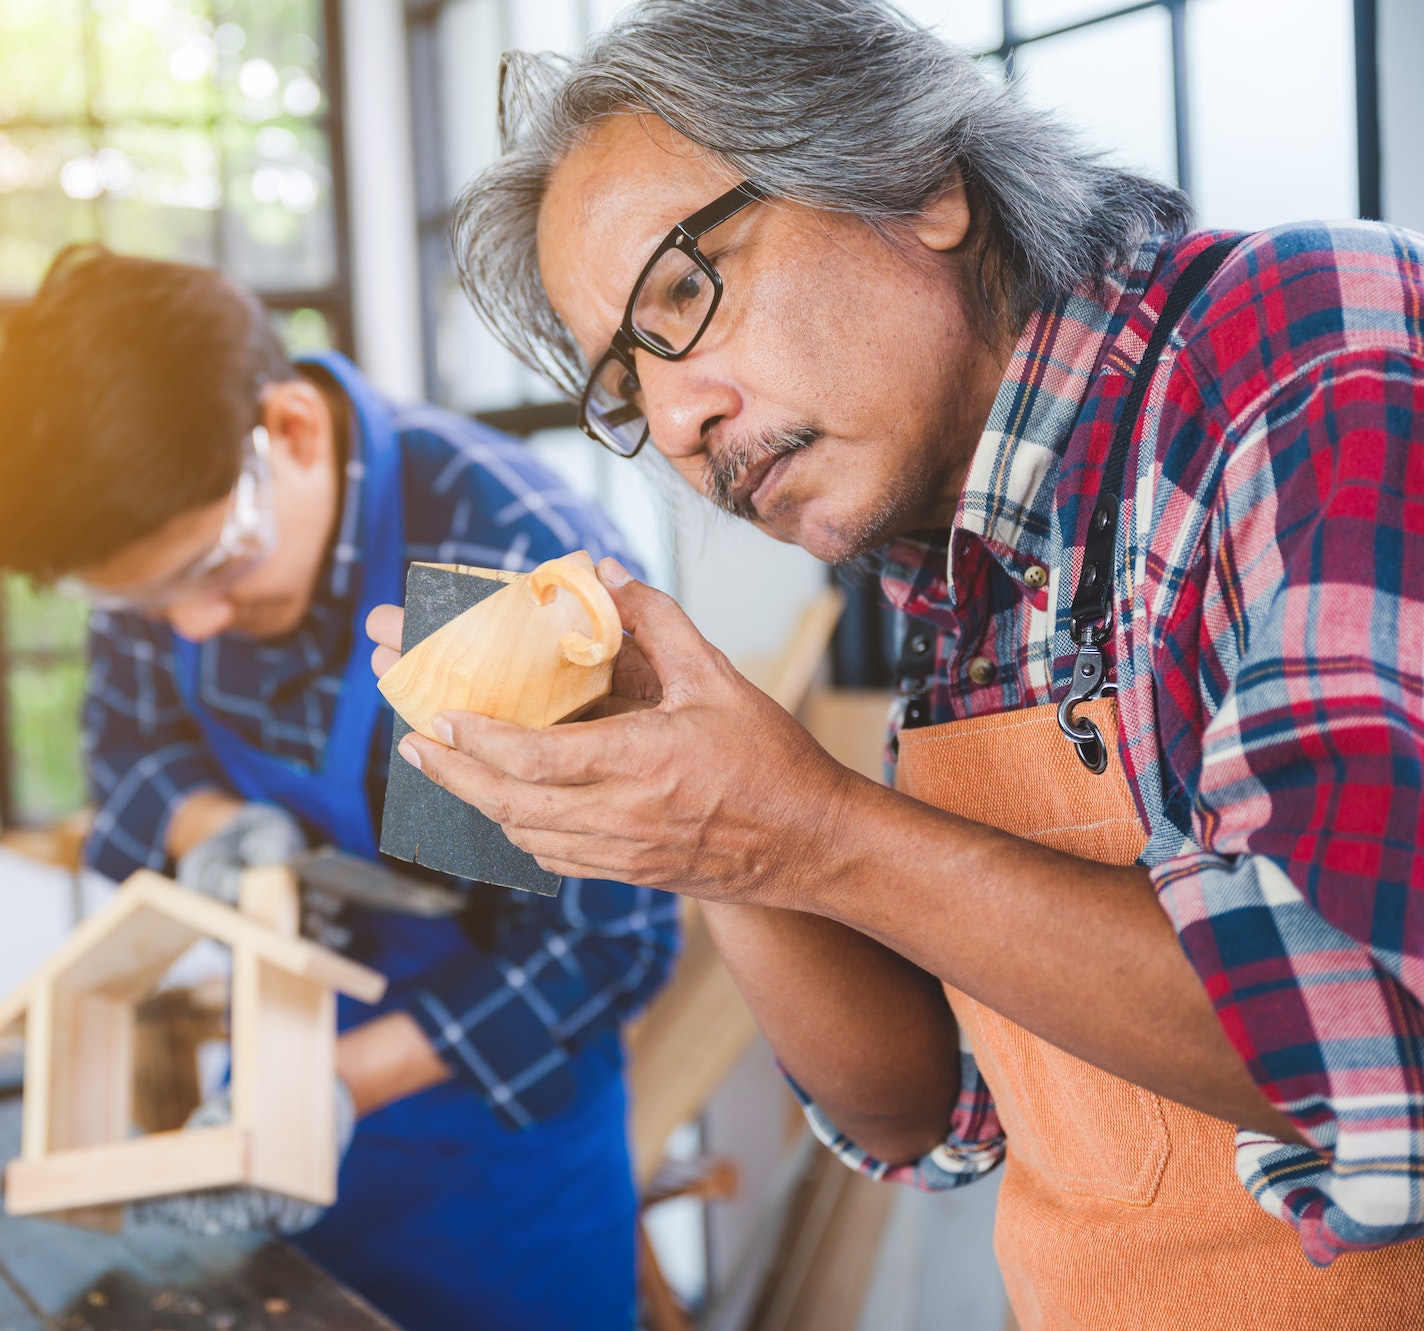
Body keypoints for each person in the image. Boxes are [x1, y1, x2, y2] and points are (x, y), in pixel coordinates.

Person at [372, 1, 1424, 1326]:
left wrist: (815, 829)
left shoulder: (1303, 350)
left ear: (917, 181)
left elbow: (1378, 1017)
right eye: (627, 386)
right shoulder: (954, 565)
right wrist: (699, 834)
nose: (679, 420)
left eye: (684, 293)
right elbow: (926, 1106)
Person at [0, 245, 677, 1331]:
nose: (190, 623)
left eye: (211, 571)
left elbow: (610, 936)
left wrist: (336, 1084)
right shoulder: (166, 531)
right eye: (144, 601)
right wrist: (215, 824)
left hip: (493, 1162)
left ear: (291, 431)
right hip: (283, 1115)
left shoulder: (492, 566)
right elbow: (129, 745)